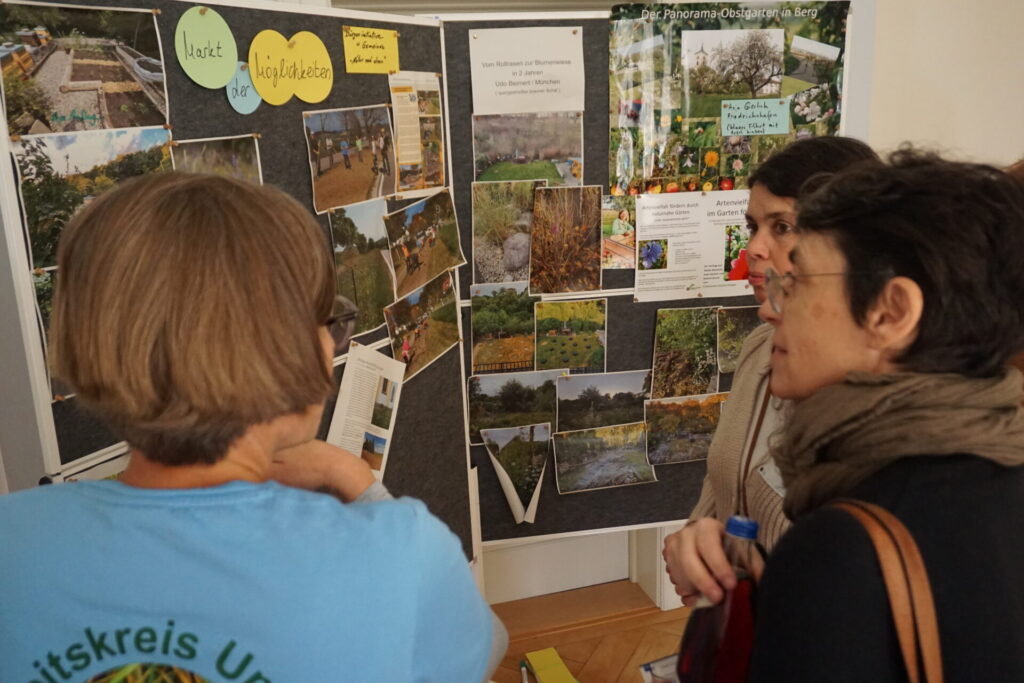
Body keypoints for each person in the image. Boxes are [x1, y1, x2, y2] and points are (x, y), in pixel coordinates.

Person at [0, 173, 506, 681]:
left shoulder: (11, 540)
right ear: (294, 349)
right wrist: (361, 485)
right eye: (331, 322)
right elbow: (483, 652)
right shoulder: (401, 554)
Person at [748, 149, 1024, 681]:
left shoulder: (842, 552)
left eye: (798, 281)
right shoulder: (1000, 471)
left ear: (890, 313)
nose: (771, 306)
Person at [662, 137, 880, 605]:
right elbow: (724, 478)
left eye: (781, 226)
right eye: (753, 226)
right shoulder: (760, 346)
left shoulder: (874, 400)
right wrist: (695, 541)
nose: (755, 248)